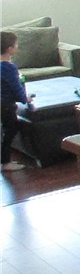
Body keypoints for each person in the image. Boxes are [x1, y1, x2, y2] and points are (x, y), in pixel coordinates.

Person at [1, 30, 33, 172]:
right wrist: (25, 99)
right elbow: (16, 88)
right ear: (10, 49)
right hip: (6, 105)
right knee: (11, 130)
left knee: (8, 129)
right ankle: (5, 162)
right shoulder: (8, 67)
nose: (17, 46)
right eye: (16, 44)